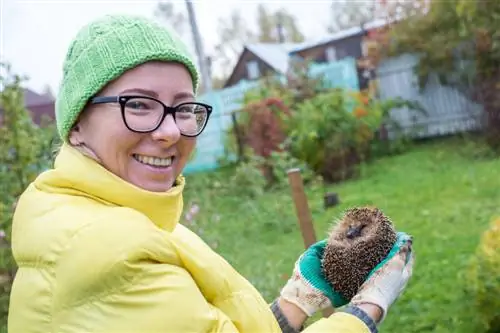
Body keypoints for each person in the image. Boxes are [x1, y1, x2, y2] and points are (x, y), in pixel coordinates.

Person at [7, 14, 414, 333]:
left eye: (183, 108)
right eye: (139, 105)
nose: (170, 132)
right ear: (77, 122)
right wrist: (367, 309)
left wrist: (299, 299)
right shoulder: (109, 253)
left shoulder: (130, 218)